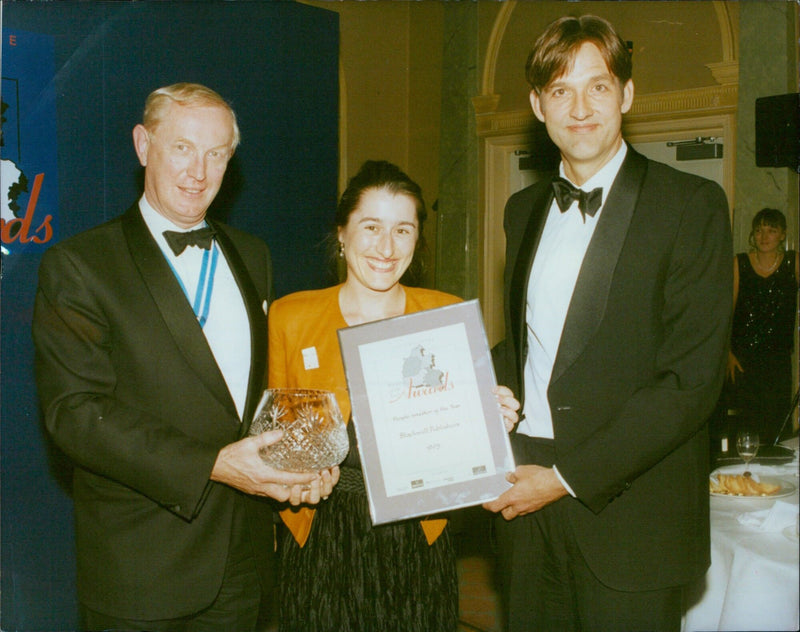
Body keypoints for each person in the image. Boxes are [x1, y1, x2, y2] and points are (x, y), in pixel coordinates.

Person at [32, 82, 338, 632]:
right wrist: (214, 465)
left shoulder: (253, 255)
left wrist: (297, 464)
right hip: (141, 570)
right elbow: (74, 415)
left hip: (241, 566)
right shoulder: (80, 265)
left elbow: (250, 400)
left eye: (217, 154)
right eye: (182, 148)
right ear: (143, 145)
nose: (199, 171)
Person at [483, 15, 732, 632]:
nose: (580, 108)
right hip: (526, 501)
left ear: (626, 93)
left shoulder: (691, 206)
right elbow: (530, 343)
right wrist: (482, 390)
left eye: (597, 86)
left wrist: (566, 479)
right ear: (538, 106)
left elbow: (690, 382)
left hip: (631, 515)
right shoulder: (522, 210)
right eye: (560, 91)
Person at [268, 159, 519, 632]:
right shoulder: (291, 317)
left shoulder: (445, 317)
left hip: (418, 537)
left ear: (417, 240)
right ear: (342, 233)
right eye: (371, 227)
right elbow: (276, 449)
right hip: (321, 534)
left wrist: (490, 422)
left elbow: (465, 453)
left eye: (403, 230)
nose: (386, 247)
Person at [725, 207, 799, 442]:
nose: (764, 237)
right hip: (743, 361)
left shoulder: (793, 262)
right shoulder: (740, 263)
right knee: (745, 426)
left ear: (782, 235)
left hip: (777, 361)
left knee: (776, 427)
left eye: (771, 230)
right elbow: (726, 311)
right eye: (759, 230)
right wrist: (726, 352)